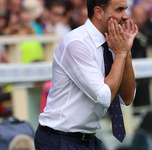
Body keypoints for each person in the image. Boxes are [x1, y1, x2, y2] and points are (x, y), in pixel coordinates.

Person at [34, 0, 138, 149]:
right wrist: (121, 53)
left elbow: (127, 98)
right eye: (119, 9)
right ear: (99, 12)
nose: (126, 16)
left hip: (88, 139)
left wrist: (126, 52)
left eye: (125, 9)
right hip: (59, 139)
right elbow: (104, 96)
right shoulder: (77, 43)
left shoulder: (113, 42)